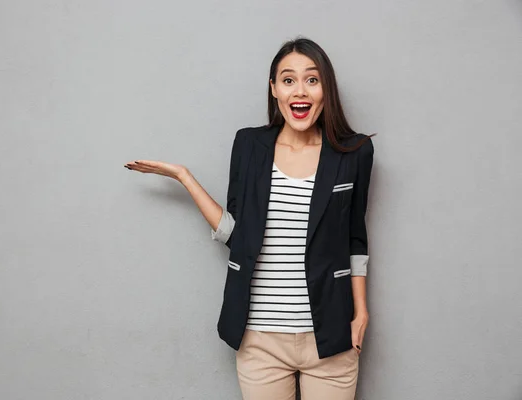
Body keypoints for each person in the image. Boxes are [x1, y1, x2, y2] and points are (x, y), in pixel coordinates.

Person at [125, 37, 374, 400]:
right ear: (274, 89)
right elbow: (236, 236)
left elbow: (355, 238)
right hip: (260, 340)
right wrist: (185, 177)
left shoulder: (353, 151)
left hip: (331, 336)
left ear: (326, 89)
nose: (299, 90)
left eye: (312, 79)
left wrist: (361, 313)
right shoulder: (249, 146)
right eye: (288, 80)